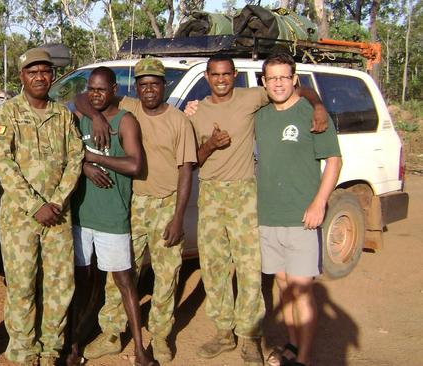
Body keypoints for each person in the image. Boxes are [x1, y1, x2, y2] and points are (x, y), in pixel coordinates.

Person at [184, 54, 329, 366]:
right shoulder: (196, 111)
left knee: (249, 269)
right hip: (209, 193)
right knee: (214, 268)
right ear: (207, 77)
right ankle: (224, 332)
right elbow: (193, 159)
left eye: (226, 74)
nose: (221, 79)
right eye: (214, 74)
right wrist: (211, 145)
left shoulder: (253, 96)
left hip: (244, 192)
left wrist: (318, 105)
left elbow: (293, 88)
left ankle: (250, 337)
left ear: (234, 75)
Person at [75, 58, 197, 362]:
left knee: (166, 276)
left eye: (155, 83)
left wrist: (179, 216)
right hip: (132, 204)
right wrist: (97, 117)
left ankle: (160, 337)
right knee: (119, 274)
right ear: (135, 87)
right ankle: (112, 333)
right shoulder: (130, 106)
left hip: (166, 204)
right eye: (143, 84)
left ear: (163, 85)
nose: (149, 90)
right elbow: (81, 96)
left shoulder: (179, 121)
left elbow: (185, 172)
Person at [0, 48, 84, 366]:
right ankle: (24, 351)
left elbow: (76, 158)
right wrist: (35, 205)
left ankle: (50, 349)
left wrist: (56, 201)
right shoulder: (8, 113)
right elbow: (2, 163)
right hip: (20, 219)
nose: (40, 77)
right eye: (33, 72)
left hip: (58, 215)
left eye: (45, 71)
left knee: (59, 284)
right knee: (22, 284)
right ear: (22, 77)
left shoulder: (63, 115)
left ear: (52, 76)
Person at [66, 67, 157, 366]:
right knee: (80, 282)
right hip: (81, 214)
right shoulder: (82, 117)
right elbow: (69, 153)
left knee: (124, 281)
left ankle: (141, 350)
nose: (95, 93)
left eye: (101, 89)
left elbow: (135, 166)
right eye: (91, 88)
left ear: (115, 90)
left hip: (111, 215)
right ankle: (74, 345)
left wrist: (93, 157)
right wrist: (83, 166)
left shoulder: (126, 122)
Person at [256, 52, 342, 366]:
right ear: (264, 83)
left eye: (284, 77)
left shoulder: (311, 113)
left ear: (295, 80)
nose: (278, 83)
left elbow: (334, 160)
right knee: (283, 286)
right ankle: (292, 345)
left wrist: (319, 202)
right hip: (268, 218)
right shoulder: (261, 116)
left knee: (302, 290)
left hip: (301, 218)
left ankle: (303, 358)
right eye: (272, 78)